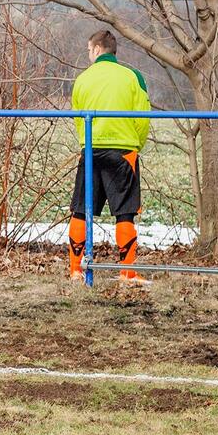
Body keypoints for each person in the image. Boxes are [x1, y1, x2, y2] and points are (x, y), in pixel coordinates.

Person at [69, 29, 151, 282]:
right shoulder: (132, 76)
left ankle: (75, 271)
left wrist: (87, 142)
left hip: (91, 150)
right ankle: (127, 272)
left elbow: (78, 117)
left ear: (96, 49)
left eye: (88, 50)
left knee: (81, 210)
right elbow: (143, 117)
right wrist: (137, 145)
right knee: (125, 212)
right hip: (123, 151)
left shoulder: (83, 78)